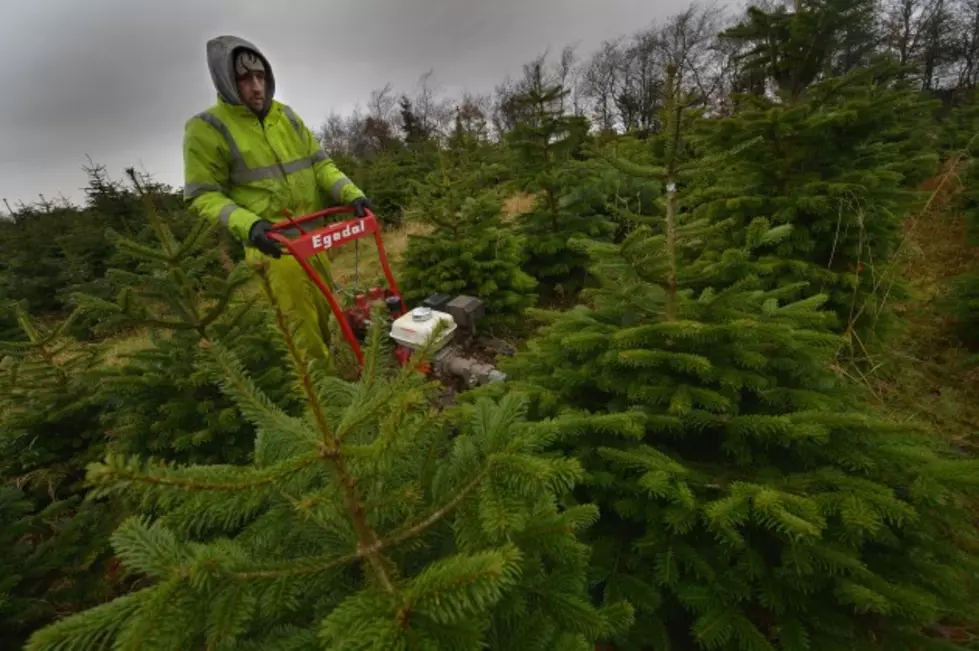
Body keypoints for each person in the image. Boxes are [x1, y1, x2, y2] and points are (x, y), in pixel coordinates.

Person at [182, 35, 372, 365]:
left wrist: (352, 194)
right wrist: (251, 225)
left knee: (326, 316)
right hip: (275, 248)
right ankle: (324, 401)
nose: (256, 87)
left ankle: (339, 381)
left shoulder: (287, 117)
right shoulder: (208, 128)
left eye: (260, 77)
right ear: (227, 82)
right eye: (245, 80)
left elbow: (320, 164)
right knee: (302, 329)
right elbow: (203, 195)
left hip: (314, 240)